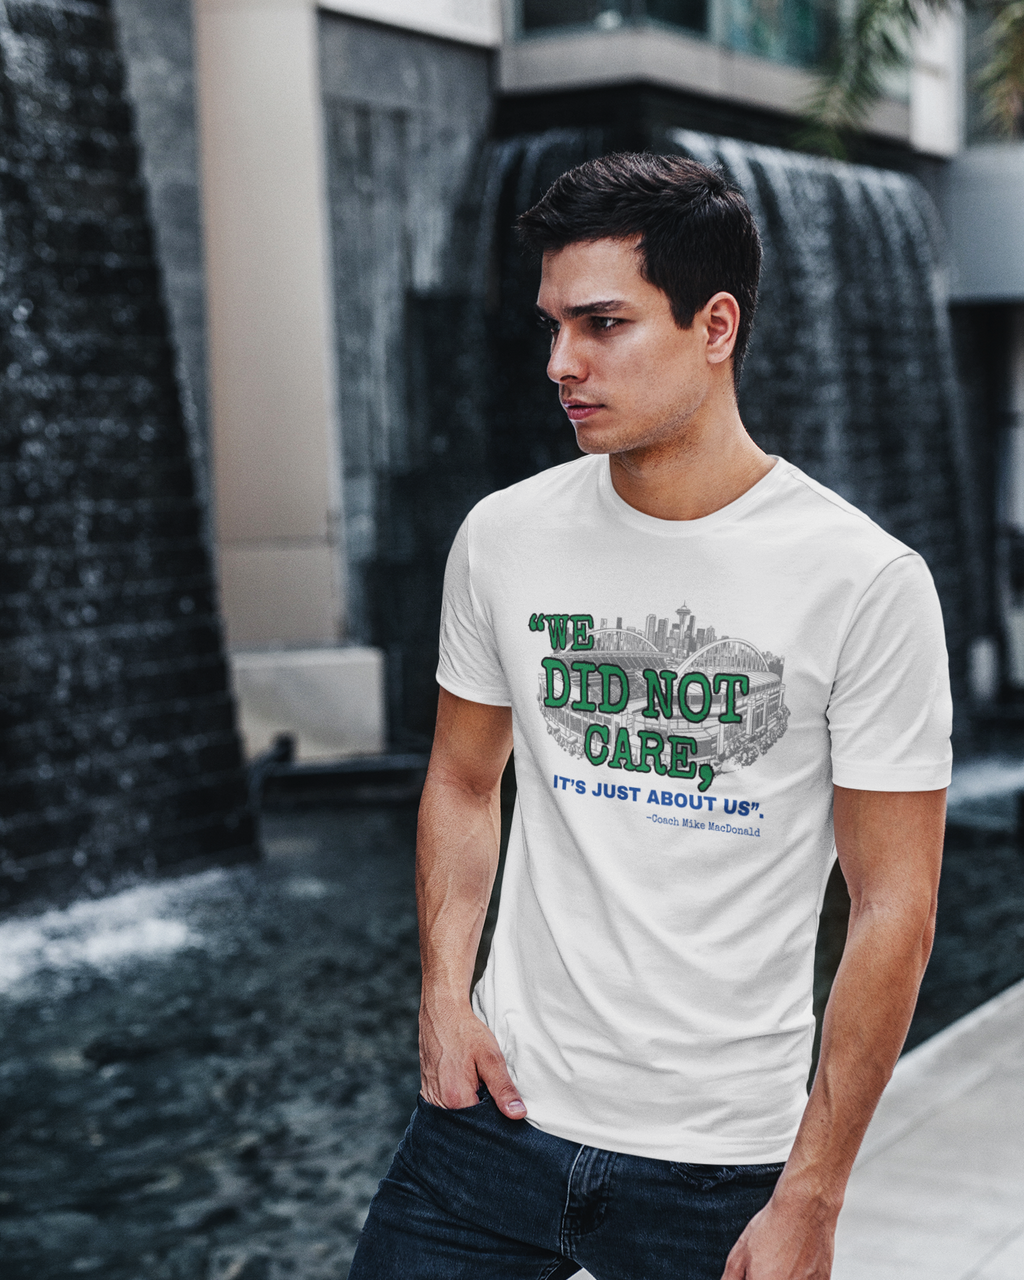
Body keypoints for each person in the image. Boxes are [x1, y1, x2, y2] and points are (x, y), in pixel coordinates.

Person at [348, 153, 951, 1280]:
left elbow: (894, 906)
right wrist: (442, 993)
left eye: (602, 324)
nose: (559, 364)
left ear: (715, 324)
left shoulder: (863, 580)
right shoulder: (502, 537)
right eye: (551, 325)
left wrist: (812, 1193)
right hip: (491, 1123)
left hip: (719, 1165)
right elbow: (464, 780)